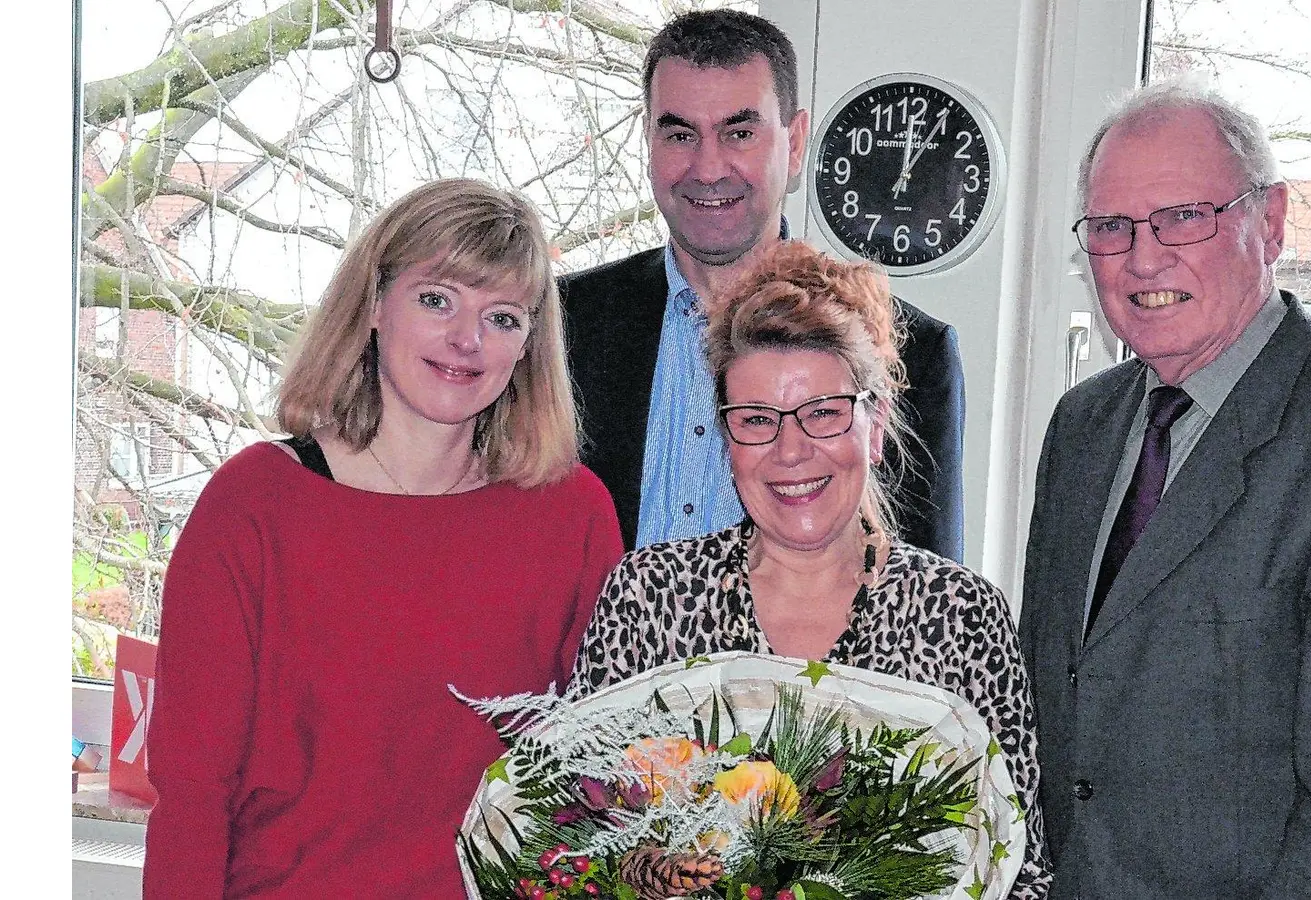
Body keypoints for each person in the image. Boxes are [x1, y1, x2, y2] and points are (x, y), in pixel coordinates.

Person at [1019, 80, 1311, 899]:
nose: (1143, 257)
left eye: (1184, 218)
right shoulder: (1082, 428)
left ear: (1269, 223)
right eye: (1112, 228)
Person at [142, 178, 624, 897]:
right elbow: (190, 793)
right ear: (373, 305)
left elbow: (605, 783)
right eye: (437, 300)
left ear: (528, 346)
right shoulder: (254, 506)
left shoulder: (572, 516)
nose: (468, 341)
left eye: (502, 317)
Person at [570, 241, 1049, 900]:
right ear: (727, 437)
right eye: (757, 420)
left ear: (874, 422)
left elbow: (1020, 871)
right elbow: (578, 839)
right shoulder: (649, 598)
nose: (791, 451)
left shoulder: (963, 617)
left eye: (823, 414)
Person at [559, 9, 967, 561]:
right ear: (648, 142)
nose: (707, 169)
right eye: (680, 134)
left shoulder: (910, 350)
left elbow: (926, 599)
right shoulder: (560, 324)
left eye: (739, 133)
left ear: (795, 143)